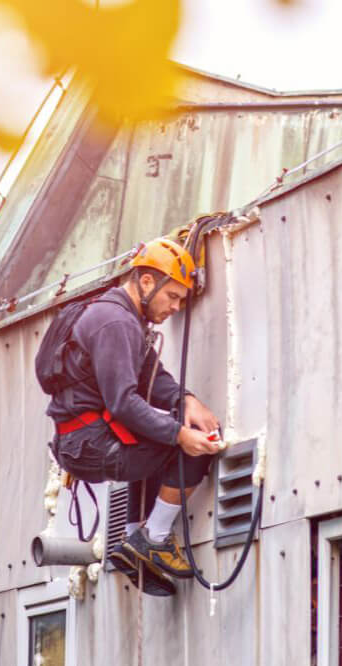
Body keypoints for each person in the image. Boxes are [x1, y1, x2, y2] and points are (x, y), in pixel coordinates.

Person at [46, 236, 222, 588]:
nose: (175, 307)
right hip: (90, 444)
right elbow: (124, 403)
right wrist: (181, 434)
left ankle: (130, 541)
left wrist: (186, 400)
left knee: (160, 430)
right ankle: (153, 538)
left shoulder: (120, 316)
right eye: (172, 296)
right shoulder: (116, 323)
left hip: (83, 439)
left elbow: (147, 373)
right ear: (146, 282)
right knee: (190, 446)